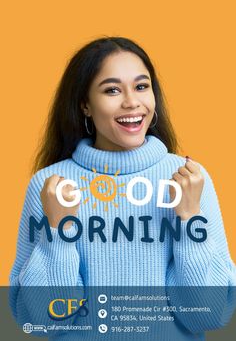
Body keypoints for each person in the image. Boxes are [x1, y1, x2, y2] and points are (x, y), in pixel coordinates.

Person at [10, 37, 236, 340]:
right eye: (112, 90)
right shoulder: (50, 186)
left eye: (142, 86)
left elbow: (207, 314)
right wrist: (59, 233)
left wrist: (189, 220)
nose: (132, 102)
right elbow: (40, 320)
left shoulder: (188, 179)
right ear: (85, 105)